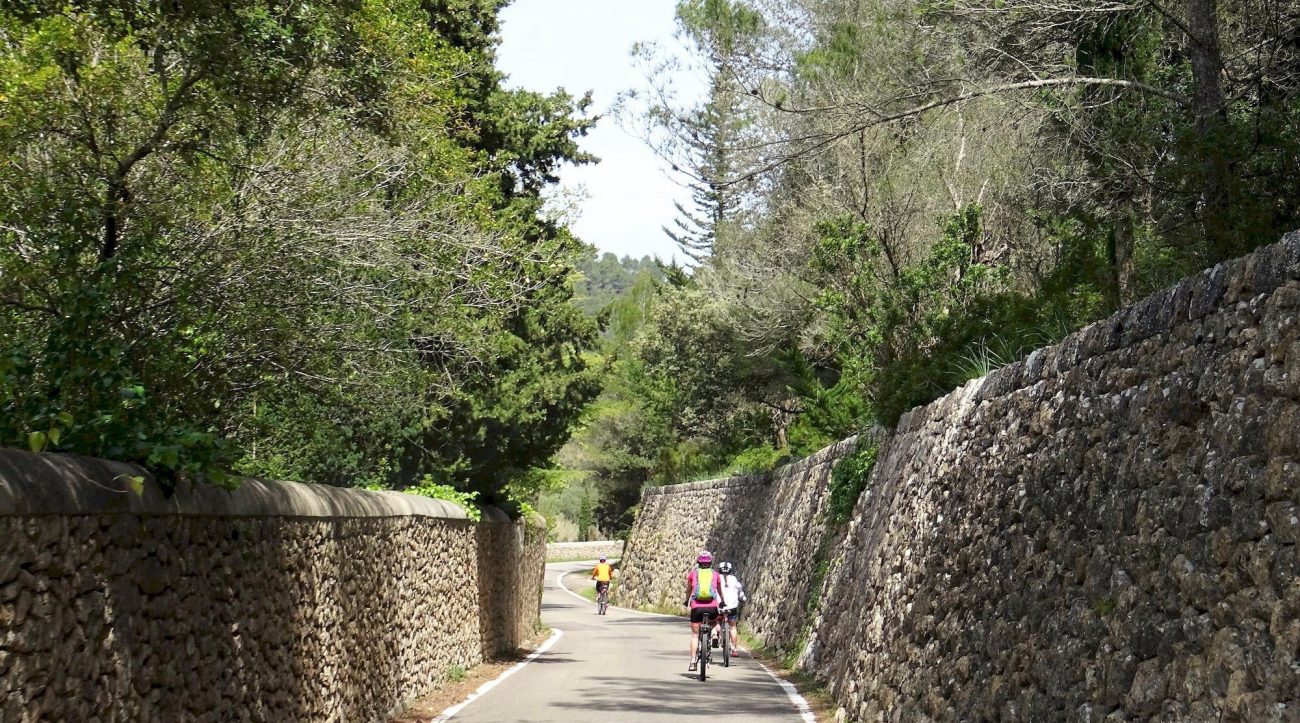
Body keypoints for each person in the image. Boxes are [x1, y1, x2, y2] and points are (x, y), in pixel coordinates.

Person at [684, 550, 722, 671]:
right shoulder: (715, 574)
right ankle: (715, 634)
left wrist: (687, 600)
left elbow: (689, 590)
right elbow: (719, 591)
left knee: (695, 635)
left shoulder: (693, 574)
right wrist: (723, 601)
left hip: (697, 607)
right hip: (712, 607)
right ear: (710, 562)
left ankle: (693, 661)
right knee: (714, 621)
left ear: (698, 562)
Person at [714, 561, 746, 654]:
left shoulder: (716, 578)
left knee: (715, 621)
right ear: (730, 570)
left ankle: (715, 635)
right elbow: (740, 594)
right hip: (732, 608)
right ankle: (734, 649)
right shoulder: (734, 580)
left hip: (719, 607)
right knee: (733, 626)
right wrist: (743, 599)